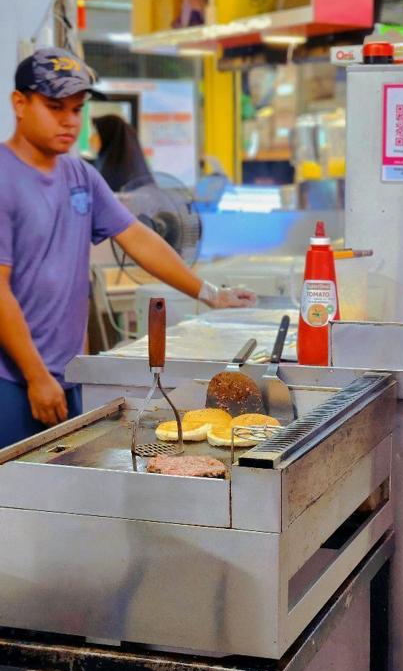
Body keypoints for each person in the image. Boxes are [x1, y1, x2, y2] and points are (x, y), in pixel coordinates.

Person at [0, 47, 256, 449]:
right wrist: (35, 376)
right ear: (20, 103)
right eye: (55, 108)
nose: (69, 121)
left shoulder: (80, 175)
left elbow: (137, 237)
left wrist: (210, 294)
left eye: (76, 109)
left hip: (65, 372)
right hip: (12, 379)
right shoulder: (4, 178)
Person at [92, 113, 154, 192]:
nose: (92, 137)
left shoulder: (127, 170)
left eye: (96, 133)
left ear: (107, 135)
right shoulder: (106, 159)